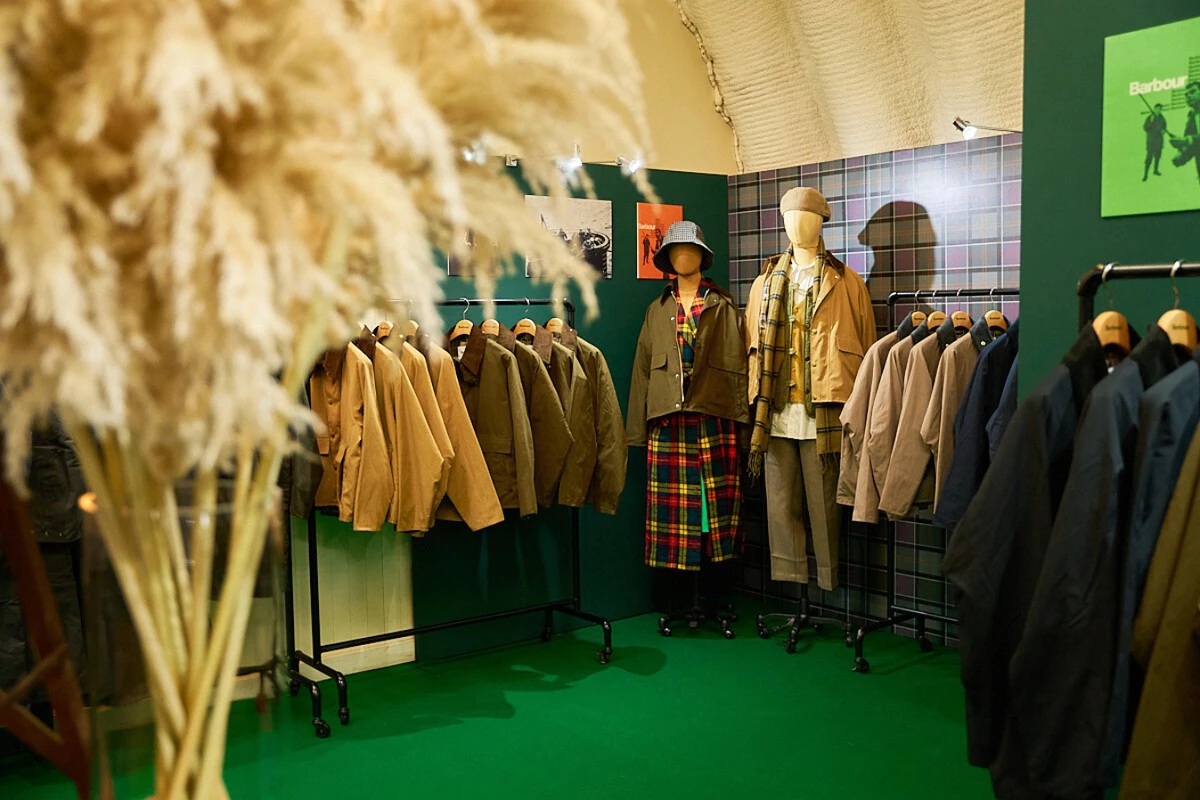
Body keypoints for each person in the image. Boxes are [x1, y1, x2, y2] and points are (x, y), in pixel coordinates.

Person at [1170, 80, 1200, 183]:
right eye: (1186, 95)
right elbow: (1193, 145)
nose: (1188, 96)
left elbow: (1190, 140)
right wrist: (1182, 155)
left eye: (1193, 92)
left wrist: (1186, 140)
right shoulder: (1192, 118)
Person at [1143, 103, 1167, 181]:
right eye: (1156, 109)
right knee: (1149, 159)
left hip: (1159, 141)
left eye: (1159, 109)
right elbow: (1145, 128)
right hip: (1151, 141)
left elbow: (1164, 127)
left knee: (1157, 157)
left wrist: (1163, 131)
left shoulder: (1162, 118)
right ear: (1154, 109)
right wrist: (1151, 121)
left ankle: (1155, 171)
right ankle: (1145, 175)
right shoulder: (1150, 117)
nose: (1157, 110)